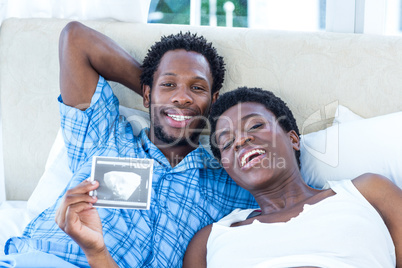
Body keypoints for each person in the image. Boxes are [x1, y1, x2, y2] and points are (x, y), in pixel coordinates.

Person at [3, 22, 256, 267]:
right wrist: (160, 95)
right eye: (169, 84)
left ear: (213, 100)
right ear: (146, 94)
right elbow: (76, 39)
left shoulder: (229, 178)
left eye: (197, 87)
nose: (181, 96)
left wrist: (178, 98)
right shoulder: (105, 135)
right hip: (41, 259)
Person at [182, 87, 402, 268]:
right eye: (227, 143)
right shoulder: (208, 241)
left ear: (293, 139)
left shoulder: (368, 192)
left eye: (255, 125)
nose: (240, 141)